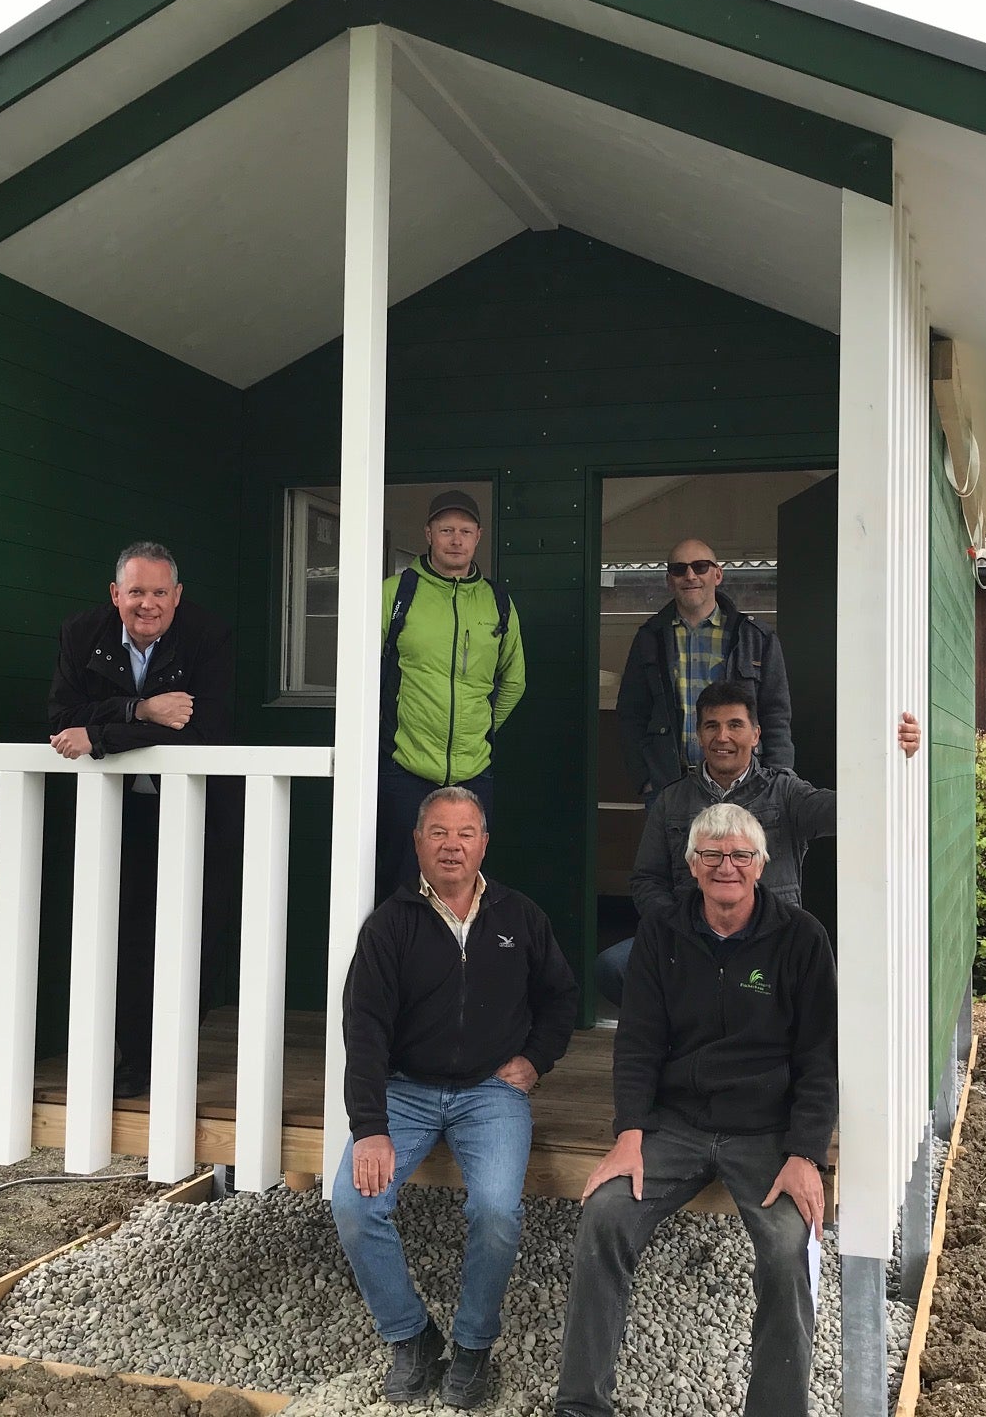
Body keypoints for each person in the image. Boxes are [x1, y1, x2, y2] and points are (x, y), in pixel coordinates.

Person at [556, 802, 835, 1417]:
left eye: (740, 856)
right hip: (675, 1126)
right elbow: (638, 1043)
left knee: (790, 1246)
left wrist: (805, 1152)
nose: (726, 867)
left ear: (762, 865)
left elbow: (820, 1057)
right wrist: (629, 1133)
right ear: (691, 866)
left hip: (764, 1132)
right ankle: (580, 1404)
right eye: (712, 856)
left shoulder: (801, 938)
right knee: (604, 1214)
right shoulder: (662, 932)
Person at [334, 787, 576, 1408]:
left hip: (490, 1092)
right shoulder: (390, 926)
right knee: (356, 1206)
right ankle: (411, 1337)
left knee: (497, 1211)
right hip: (405, 1093)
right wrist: (370, 1127)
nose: (452, 845)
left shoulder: (520, 917)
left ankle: (472, 1348)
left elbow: (561, 998)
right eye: (438, 832)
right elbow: (363, 1029)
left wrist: (534, 1060)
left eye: (465, 833)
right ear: (417, 843)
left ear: (484, 843)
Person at [45, 541, 236, 1096]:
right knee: (127, 930)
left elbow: (204, 728)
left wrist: (102, 734)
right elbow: (59, 720)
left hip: (201, 811)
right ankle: (136, 1060)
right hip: (119, 812)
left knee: (193, 930)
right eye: (135, 593)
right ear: (115, 595)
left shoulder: (208, 636)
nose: (146, 605)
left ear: (177, 596)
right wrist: (141, 709)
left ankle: (173, 1052)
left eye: (158, 592)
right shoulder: (82, 635)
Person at [596, 679, 921, 1005]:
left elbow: (854, 811)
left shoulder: (785, 792)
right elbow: (647, 879)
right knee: (614, 967)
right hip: (690, 939)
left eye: (735, 725)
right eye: (712, 726)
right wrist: (677, 928)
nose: (722, 737)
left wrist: (896, 759)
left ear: (755, 734)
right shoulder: (672, 800)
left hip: (769, 940)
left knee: (812, 993)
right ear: (699, 735)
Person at [374, 490, 526, 893]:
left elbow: (513, 680)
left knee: (465, 881)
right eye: (446, 530)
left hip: (474, 770)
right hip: (404, 766)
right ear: (428, 534)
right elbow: (364, 670)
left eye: (464, 531)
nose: (455, 539)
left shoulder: (498, 602)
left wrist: (481, 727)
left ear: (478, 537)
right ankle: (397, 956)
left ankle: (459, 956)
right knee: (401, 881)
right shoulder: (395, 593)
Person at [615, 538, 790, 801]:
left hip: (745, 787)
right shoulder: (648, 639)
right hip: (670, 787)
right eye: (679, 569)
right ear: (669, 580)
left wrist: (777, 778)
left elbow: (775, 714)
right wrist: (645, 779)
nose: (690, 575)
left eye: (700, 567)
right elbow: (631, 713)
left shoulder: (756, 638)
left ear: (718, 574)